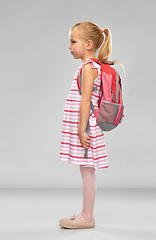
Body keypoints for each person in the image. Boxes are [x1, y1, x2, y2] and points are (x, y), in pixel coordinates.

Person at [59, 21, 113, 229]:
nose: (70, 46)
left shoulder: (89, 68)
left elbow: (86, 101)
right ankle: (85, 214)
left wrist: (82, 131)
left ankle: (86, 216)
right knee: (87, 171)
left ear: (88, 44)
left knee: (87, 171)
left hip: (87, 127)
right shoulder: (92, 67)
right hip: (87, 126)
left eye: (73, 41)